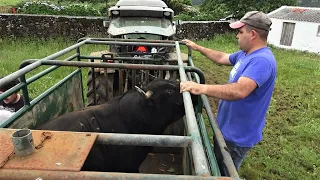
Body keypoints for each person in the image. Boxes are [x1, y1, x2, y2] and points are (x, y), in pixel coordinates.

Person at [180, 11, 277, 172]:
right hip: (227, 128)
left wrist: (201, 88)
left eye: (240, 32)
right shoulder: (246, 54)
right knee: (217, 165)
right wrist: (197, 47)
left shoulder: (262, 60)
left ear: (252, 34)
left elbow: (239, 90)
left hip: (237, 136)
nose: (237, 36)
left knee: (224, 171)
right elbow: (221, 57)